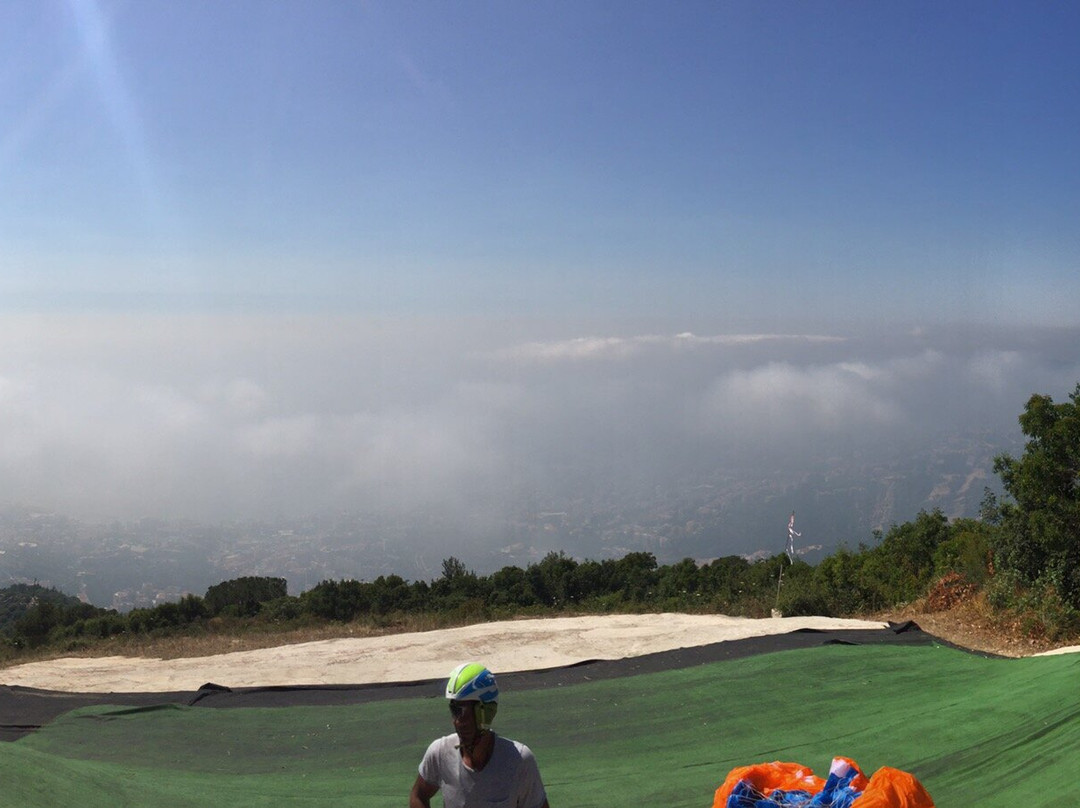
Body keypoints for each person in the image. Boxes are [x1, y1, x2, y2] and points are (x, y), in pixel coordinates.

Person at [409, 662, 551, 808]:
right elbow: (418, 795)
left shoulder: (519, 761)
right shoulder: (440, 753)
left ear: (485, 713)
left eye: (463, 711)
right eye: (454, 710)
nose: (457, 721)